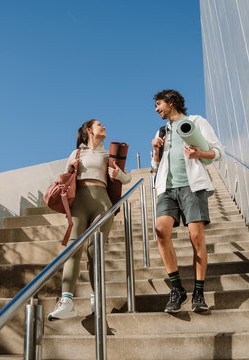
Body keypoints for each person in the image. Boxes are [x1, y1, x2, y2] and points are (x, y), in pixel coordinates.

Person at [47, 119, 132, 320]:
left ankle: (96, 299)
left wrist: (119, 174)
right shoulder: (77, 153)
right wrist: (71, 168)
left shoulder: (108, 153)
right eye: (99, 125)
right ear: (89, 130)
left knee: (95, 251)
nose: (104, 127)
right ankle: (66, 302)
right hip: (79, 204)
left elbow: (127, 179)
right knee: (73, 249)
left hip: (102, 204)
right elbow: (64, 179)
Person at [150, 89, 224, 313]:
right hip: (167, 189)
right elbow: (155, 167)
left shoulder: (196, 122)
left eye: (159, 104)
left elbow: (218, 151)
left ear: (171, 103)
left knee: (196, 237)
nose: (156, 109)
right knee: (161, 230)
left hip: (192, 187)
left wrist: (198, 154)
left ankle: (199, 293)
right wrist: (155, 151)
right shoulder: (161, 130)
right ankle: (177, 289)